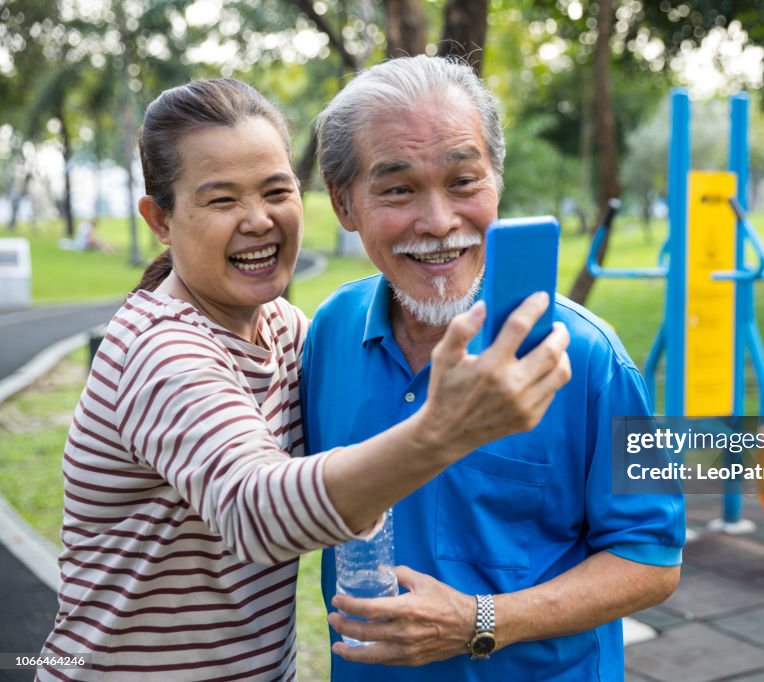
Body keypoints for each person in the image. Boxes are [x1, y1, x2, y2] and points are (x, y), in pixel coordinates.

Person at [37, 78, 570, 681]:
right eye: (221, 200)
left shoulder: (593, 355)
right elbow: (259, 509)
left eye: (275, 191)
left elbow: (662, 536)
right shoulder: (180, 348)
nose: (259, 220)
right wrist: (447, 430)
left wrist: (484, 619)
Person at [303, 55, 684, 681]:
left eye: (463, 182)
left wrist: (479, 621)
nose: (438, 222)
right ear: (344, 204)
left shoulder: (588, 356)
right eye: (397, 189)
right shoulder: (330, 333)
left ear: (496, 185)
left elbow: (651, 560)